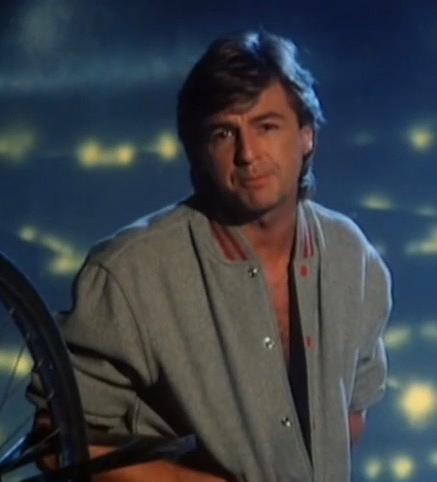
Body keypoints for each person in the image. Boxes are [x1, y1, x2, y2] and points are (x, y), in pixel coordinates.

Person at [35, 29, 393, 481]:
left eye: (266, 126)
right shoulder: (131, 273)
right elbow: (55, 441)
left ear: (306, 136)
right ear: (200, 150)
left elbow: (353, 413)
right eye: (224, 133)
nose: (247, 154)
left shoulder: (351, 257)